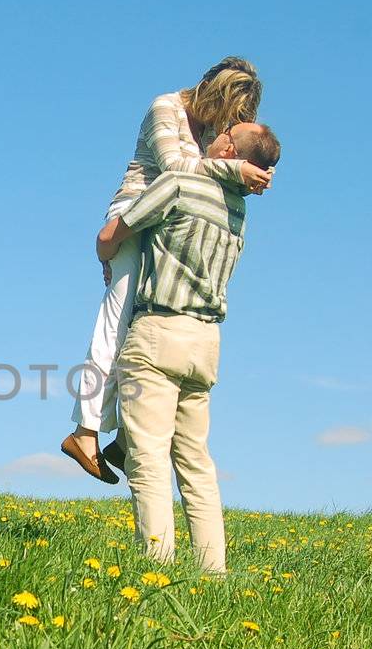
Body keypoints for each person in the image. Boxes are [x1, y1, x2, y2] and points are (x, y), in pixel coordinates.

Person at [60, 58, 271, 484]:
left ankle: (124, 438)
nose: (225, 126)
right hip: (137, 212)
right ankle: (85, 430)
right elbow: (176, 168)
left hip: (174, 222)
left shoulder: (216, 129)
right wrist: (234, 168)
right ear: (212, 91)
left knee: (150, 332)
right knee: (118, 320)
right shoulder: (166, 108)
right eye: (227, 112)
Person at [104, 122, 282, 572]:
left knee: (147, 459)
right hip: (206, 343)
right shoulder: (238, 207)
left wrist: (106, 252)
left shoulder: (181, 184)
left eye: (226, 131)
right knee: (196, 464)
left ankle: (158, 566)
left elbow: (115, 233)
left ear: (227, 146)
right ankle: (212, 572)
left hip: (159, 330)